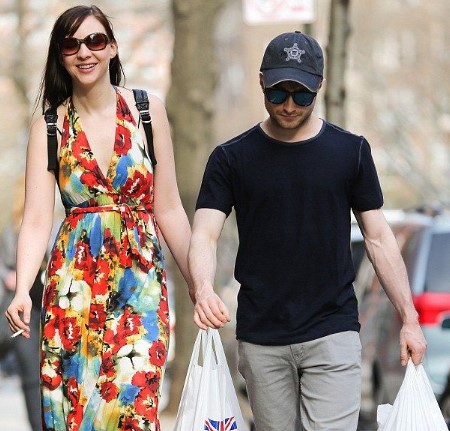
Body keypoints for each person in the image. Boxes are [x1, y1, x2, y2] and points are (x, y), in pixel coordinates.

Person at [188, 31, 427, 431]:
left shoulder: (350, 152)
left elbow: (379, 238)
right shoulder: (231, 158)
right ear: (261, 82)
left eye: (302, 95)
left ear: (320, 88)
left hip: (332, 329)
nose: (288, 105)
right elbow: (204, 234)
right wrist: (204, 288)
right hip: (262, 334)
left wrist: (409, 318)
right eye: (278, 93)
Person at [5, 5, 192, 431]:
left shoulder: (147, 110)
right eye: (71, 44)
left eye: (95, 40)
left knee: (133, 407)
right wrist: (22, 292)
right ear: (60, 54)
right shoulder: (49, 127)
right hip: (73, 290)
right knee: (80, 414)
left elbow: (168, 208)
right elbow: (36, 219)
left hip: (140, 289)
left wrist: (199, 284)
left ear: (112, 47)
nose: (84, 52)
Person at [0, 176, 43, 430]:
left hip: (40, 307)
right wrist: (8, 276)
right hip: (14, 308)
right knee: (29, 375)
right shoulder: (10, 231)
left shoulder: (52, 226)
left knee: (38, 376)